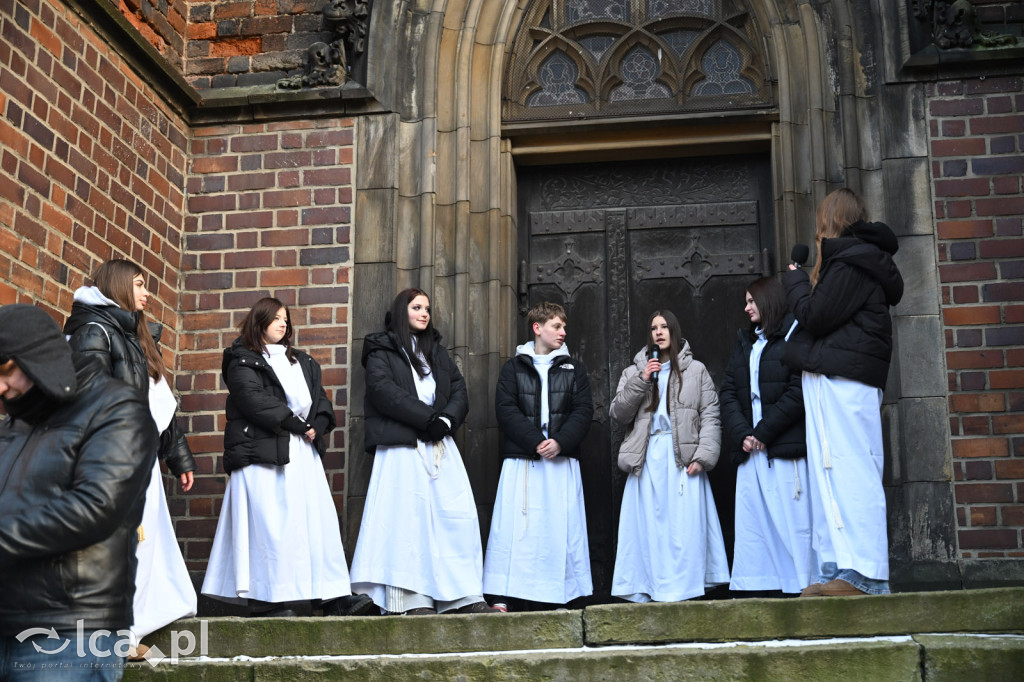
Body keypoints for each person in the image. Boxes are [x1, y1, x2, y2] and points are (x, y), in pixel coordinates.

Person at [0, 304, 157, 680]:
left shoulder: (117, 406)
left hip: (70, 633)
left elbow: (95, 507)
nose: (0, 387)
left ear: (40, 358)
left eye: (5, 369)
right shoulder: (15, 424)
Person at [202, 297, 372, 617]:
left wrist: (315, 428)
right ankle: (266, 600)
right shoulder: (242, 360)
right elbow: (254, 400)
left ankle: (331, 596)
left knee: (315, 524)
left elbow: (321, 405)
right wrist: (297, 424)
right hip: (264, 453)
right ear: (259, 322)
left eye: (286, 318)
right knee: (271, 526)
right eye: (275, 318)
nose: (283, 323)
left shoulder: (302, 362)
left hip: (302, 454)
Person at [63, 259, 197, 655]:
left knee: (143, 544)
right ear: (119, 286)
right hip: (114, 460)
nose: (146, 293)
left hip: (141, 459)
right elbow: (87, 400)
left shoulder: (136, 334)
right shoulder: (94, 332)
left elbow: (160, 400)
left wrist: (179, 456)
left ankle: (127, 632)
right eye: (139, 284)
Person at [783, 188, 904, 597]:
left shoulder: (853, 261)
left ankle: (865, 576)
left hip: (846, 382)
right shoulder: (851, 260)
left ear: (830, 221)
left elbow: (815, 316)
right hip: (832, 379)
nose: (817, 233)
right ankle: (835, 569)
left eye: (820, 222)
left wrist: (797, 282)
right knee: (829, 474)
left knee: (852, 471)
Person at [350, 288, 499, 615]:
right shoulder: (381, 349)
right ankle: (411, 600)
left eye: (428, 308)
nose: (424, 313)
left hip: (439, 445)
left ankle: (461, 595)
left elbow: (459, 389)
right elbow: (383, 391)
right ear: (401, 310)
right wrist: (428, 418)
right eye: (417, 307)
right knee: (406, 523)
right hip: (403, 448)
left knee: (453, 518)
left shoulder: (436, 352)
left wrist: (446, 419)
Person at [609, 310, 729, 602]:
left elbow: (710, 415)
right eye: (653, 328)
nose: (659, 332)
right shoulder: (633, 372)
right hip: (647, 457)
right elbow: (618, 413)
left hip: (682, 457)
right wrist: (642, 379)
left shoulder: (696, 370)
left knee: (682, 527)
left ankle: (683, 587)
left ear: (674, 331)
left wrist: (703, 457)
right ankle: (648, 586)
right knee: (648, 526)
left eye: (664, 327)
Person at [483, 301, 594, 610]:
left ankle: (563, 593)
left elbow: (583, 411)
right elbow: (506, 410)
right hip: (524, 460)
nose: (563, 332)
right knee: (516, 528)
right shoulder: (514, 367)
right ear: (537, 328)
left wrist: (560, 442)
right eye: (556, 326)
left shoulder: (573, 369)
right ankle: (503, 593)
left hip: (560, 460)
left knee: (561, 527)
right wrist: (535, 441)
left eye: (563, 327)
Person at [720, 277, 817, 596]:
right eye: (746, 302)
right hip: (751, 449)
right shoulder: (745, 342)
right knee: (755, 522)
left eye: (751, 301)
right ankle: (760, 586)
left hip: (782, 448)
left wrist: (764, 432)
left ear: (768, 300)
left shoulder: (791, 336)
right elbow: (729, 392)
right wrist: (743, 434)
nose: (746, 307)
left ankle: (799, 584)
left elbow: (796, 391)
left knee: (790, 519)